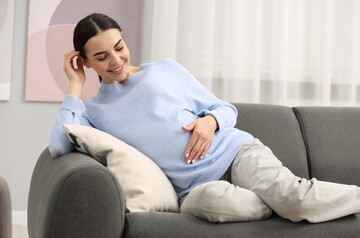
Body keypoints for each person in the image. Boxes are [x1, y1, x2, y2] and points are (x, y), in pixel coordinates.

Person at [49, 13, 360, 223]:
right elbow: (60, 147)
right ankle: (281, 204)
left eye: (119, 47)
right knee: (210, 205)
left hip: (234, 153)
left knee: (295, 199)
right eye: (102, 57)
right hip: (193, 191)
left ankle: (304, 202)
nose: (116, 60)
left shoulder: (163, 70)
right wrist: (74, 86)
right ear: (85, 62)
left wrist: (209, 122)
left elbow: (226, 109)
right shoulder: (93, 112)